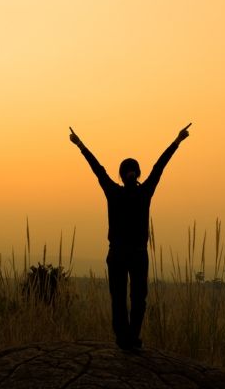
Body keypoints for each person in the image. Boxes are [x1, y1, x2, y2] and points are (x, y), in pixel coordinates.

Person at [69, 123, 191, 350]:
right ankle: (131, 338)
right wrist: (176, 141)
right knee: (137, 299)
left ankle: (124, 339)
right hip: (136, 254)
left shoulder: (114, 192)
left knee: (120, 298)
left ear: (122, 174)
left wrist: (81, 145)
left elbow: (98, 169)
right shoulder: (144, 192)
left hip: (118, 253)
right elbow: (158, 167)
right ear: (136, 174)